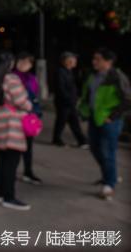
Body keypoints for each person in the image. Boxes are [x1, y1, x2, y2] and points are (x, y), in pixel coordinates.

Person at [78, 48, 131, 200]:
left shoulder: (117, 77)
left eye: (98, 59)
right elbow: (87, 94)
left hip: (109, 121)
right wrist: (83, 110)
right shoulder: (92, 75)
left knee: (108, 151)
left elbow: (127, 100)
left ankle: (109, 185)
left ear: (108, 61)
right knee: (94, 148)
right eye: (94, 58)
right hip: (94, 118)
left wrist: (112, 116)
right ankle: (110, 175)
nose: (94, 61)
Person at [0, 52, 33, 211]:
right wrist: (29, 105)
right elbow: (21, 101)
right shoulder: (12, 79)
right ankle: (9, 196)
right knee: (11, 161)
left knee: (2, 157)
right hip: (12, 123)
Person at [13, 52, 43, 185]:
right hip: (15, 116)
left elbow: (35, 97)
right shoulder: (11, 76)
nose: (24, 64)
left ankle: (28, 171)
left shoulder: (32, 79)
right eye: (22, 61)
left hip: (29, 116)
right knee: (13, 147)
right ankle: (11, 171)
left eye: (28, 62)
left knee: (28, 146)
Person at [52, 52, 87, 148]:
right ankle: (57, 139)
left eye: (75, 60)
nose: (75, 61)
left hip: (69, 102)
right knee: (62, 121)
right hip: (64, 102)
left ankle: (82, 141)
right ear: (66, 61)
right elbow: (60, 88)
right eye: (73, 59)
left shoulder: (69, 71)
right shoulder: (60, 72)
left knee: (72, 121)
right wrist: (70, 100)